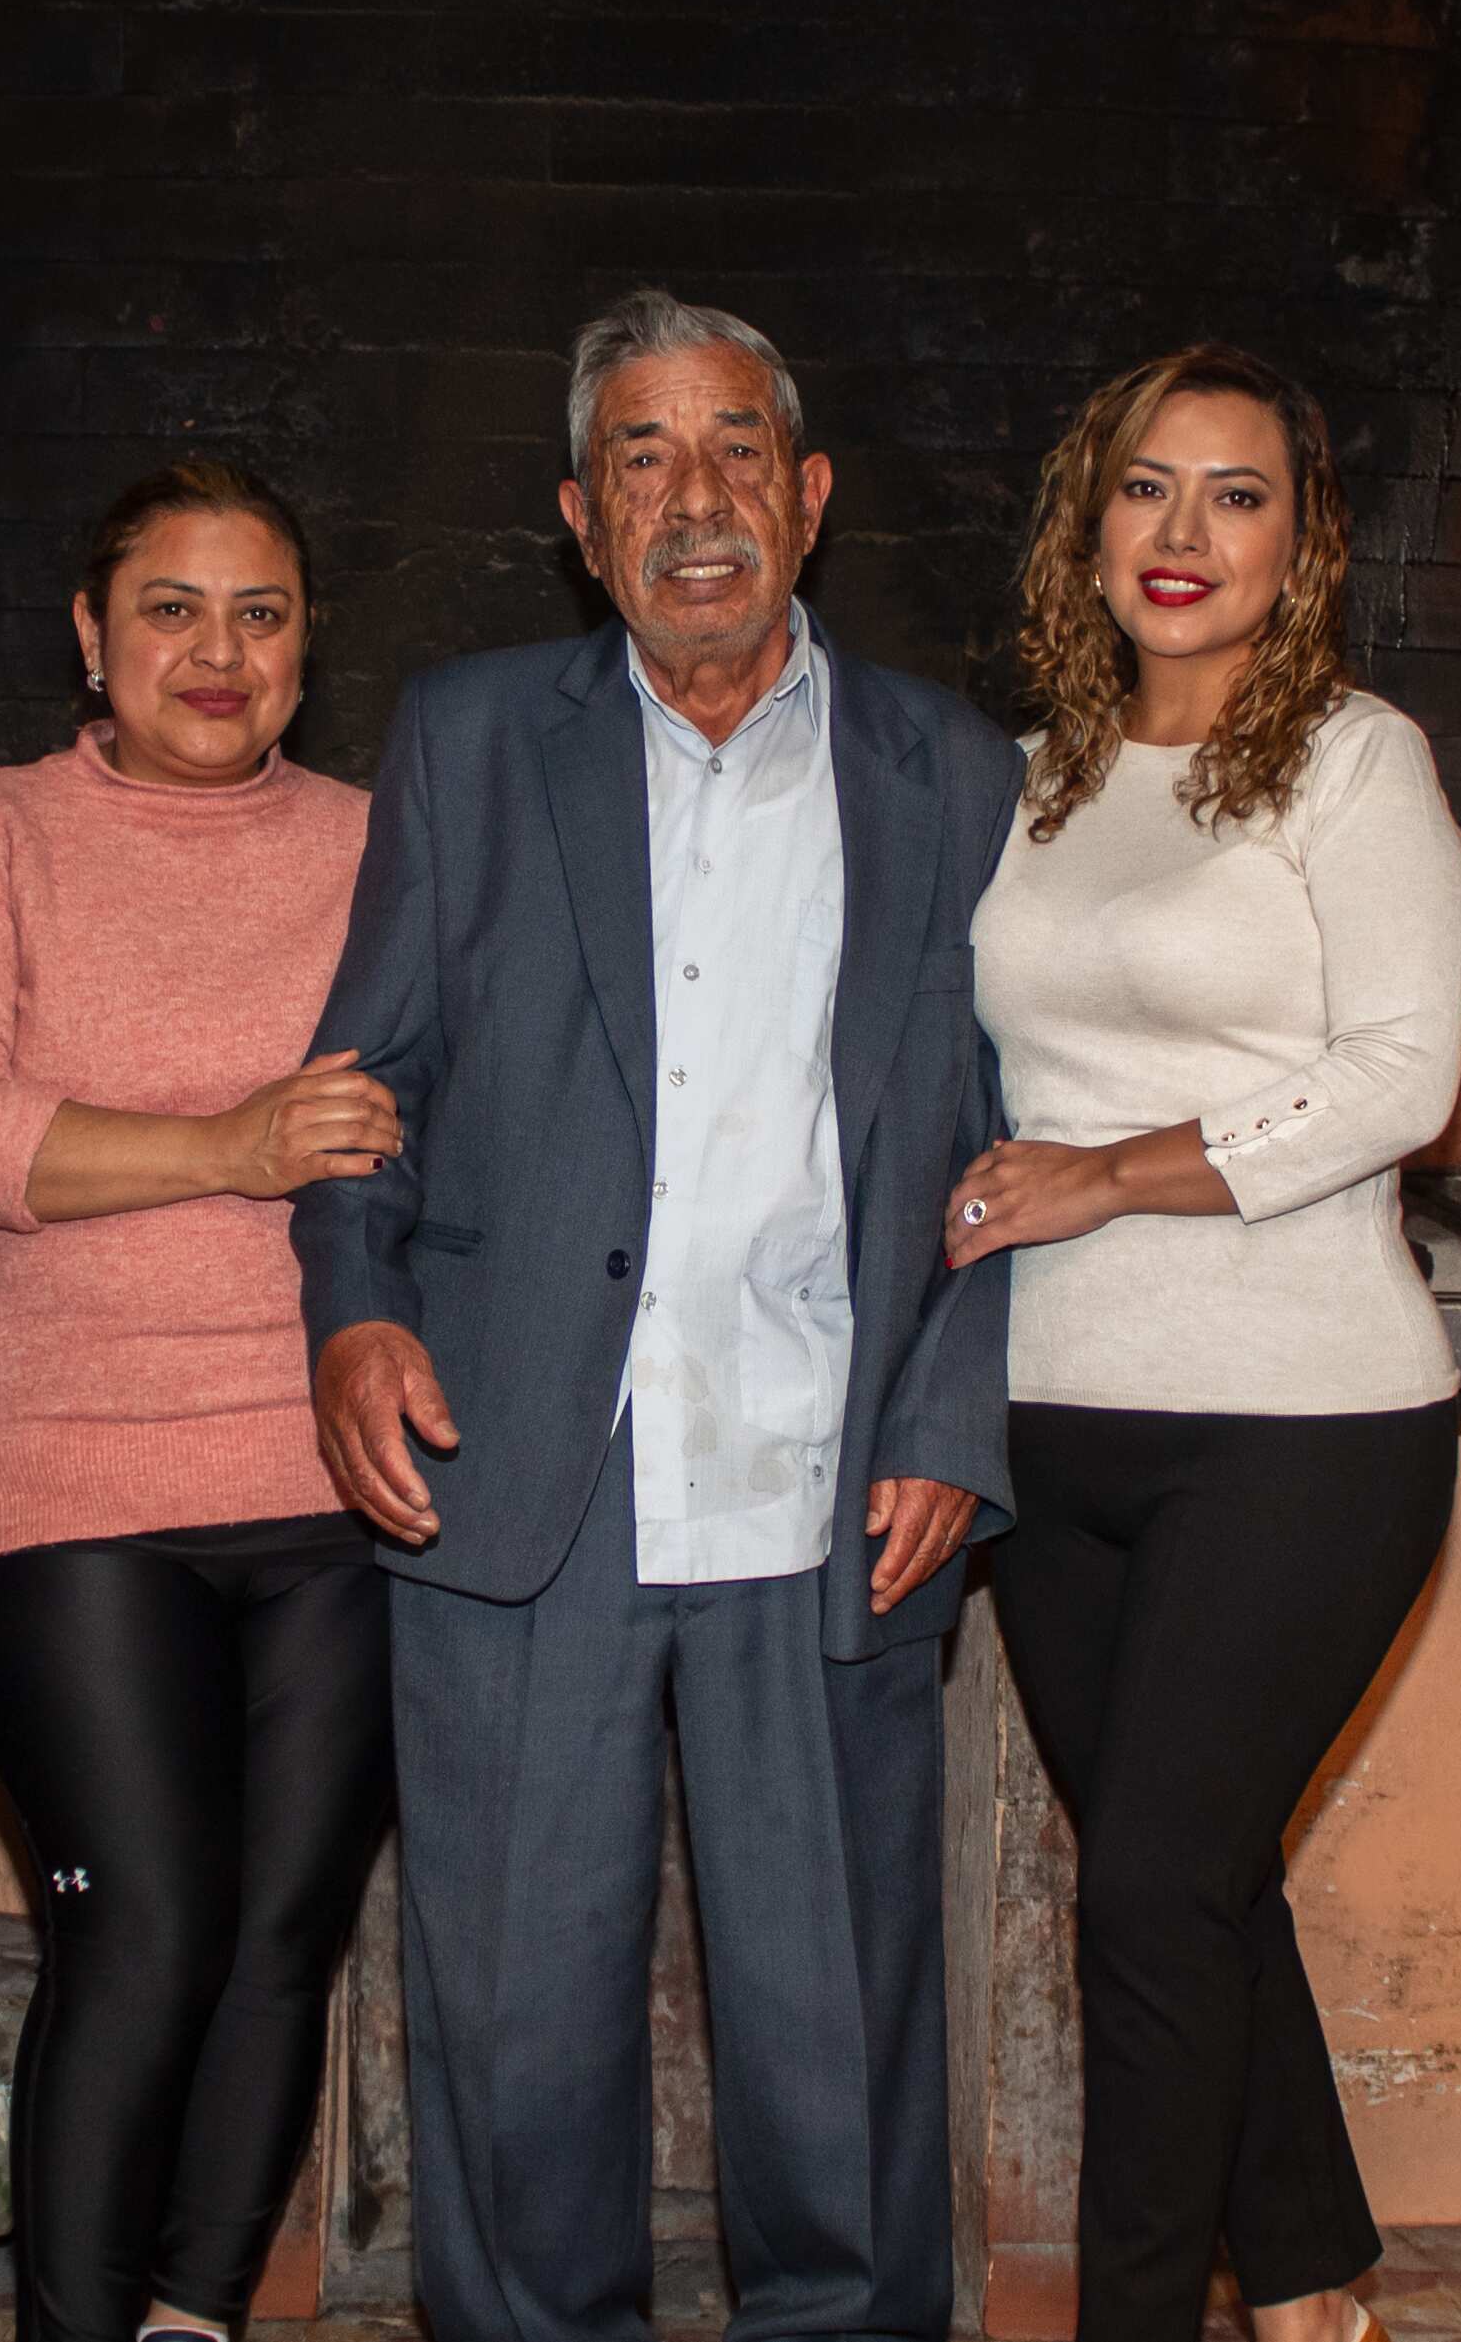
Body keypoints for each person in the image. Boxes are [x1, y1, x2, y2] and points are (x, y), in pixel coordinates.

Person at [294, 290, 1024, 2342]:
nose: (689, 498)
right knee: (515, 2018)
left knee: (838, 2030)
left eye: (730, 453)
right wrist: (352, 1315)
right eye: (639, 455)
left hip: (829, 1477)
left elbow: (1009, 1137)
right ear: (574, 513)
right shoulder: (463, 738)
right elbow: (366, 1092)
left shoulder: (945, 770)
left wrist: (952, 1413)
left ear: (805, 498)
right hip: (524, 1468)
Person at [944, 345, 1461, 2342]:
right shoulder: (1026, 783)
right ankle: (1319, 2278)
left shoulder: (1356, 760)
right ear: (1086, 533)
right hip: (1042, 1431)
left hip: (1304, 1423)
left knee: (1147, 1892)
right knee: (1199, 1882)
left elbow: (1398, 1080)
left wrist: (1104, 1170)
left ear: (1296, 541)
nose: (1184, 533)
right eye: (1146, 490)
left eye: (1233, 494)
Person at [0, 460, 398, 2342]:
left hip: (339, 1465)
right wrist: (233, 1140)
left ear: (304, 648)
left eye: (260, 613)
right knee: (151, 1926)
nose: (218, 650)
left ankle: (195, 2320)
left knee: (285, 1938)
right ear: (93, 639)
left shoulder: (379, 837)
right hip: (74, 1471)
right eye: (171, 609)